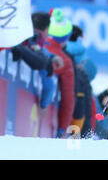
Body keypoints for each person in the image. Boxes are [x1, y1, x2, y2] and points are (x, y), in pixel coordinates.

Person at [45, 8, 75, 138]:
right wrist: (63, 128)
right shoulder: (65, 61)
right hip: (46, 122)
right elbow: (68, 98)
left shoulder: (33, 45)